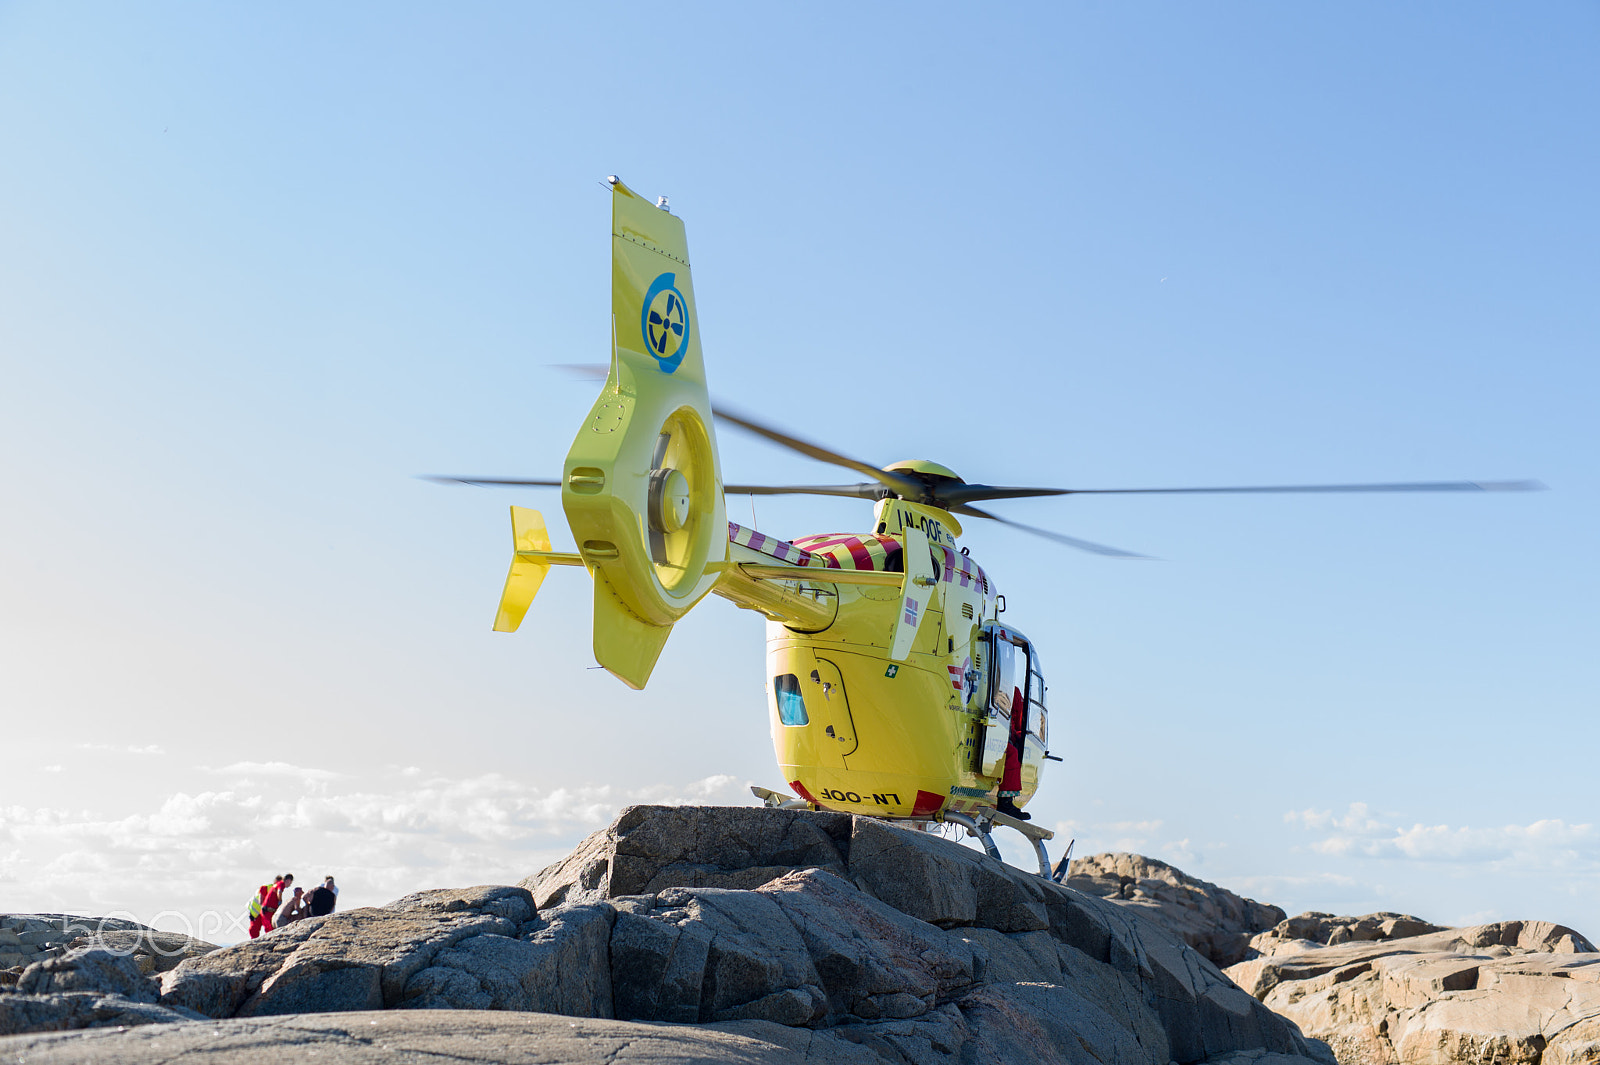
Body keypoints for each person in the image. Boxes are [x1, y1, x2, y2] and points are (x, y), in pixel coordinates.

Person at [996, 685, 1032, 821]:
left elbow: (1018, 721)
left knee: (1014, 751)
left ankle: (1006, 800)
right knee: (1012, 754)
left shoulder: (1013, 691)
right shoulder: (1012, 690)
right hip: (996, 733)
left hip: (1002, 733)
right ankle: (1005, 803)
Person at [248, 873, 292, 938]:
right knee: (256, 930)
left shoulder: (273, 888)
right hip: (258, 913)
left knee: (269, 929)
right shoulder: (267, 887)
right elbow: (260, 901)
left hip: (264, 911)